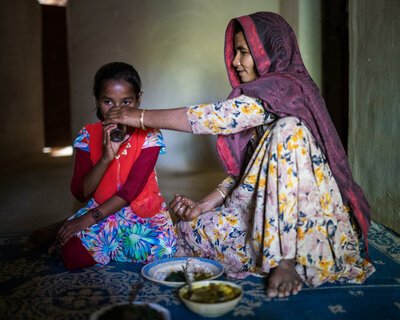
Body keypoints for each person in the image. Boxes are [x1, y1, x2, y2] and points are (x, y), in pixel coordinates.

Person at [105, 12, 375, 297]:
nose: (235, 61)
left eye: (243, 52)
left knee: (288, 130)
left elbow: (214, 117)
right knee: (187, 230)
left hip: (310, 221)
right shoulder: (260, 95)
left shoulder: (286, 88)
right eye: (235, 52)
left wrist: (141, 116)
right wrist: (201, 207)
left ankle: (285, 260)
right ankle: (268, 255)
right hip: (266, 213)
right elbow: (245, 174)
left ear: (267, 52)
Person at [28, 62, 176, 270]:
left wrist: (87, 219)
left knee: (165, 252)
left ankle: (62, 225)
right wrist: (106, 156)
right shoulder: (87, 136)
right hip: (101, 208)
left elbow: (130, 191)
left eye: (126, 101)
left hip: (142, 210)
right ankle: (64, 227)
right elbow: (81, 193)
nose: (117, 111)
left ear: (138, 99)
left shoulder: (150, 135)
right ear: (97, 101)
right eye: (108, 101)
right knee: (71, 255)